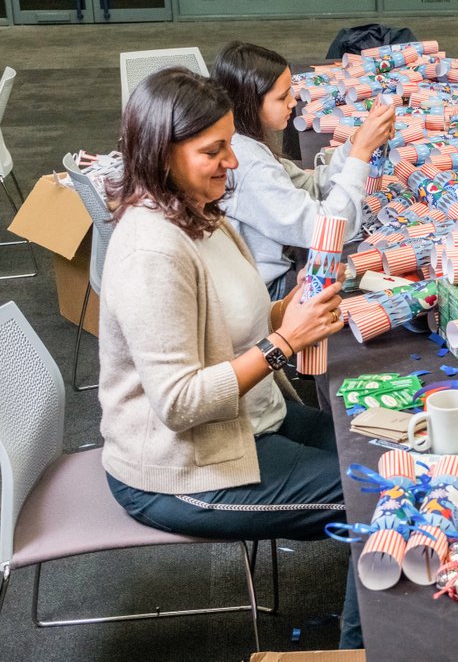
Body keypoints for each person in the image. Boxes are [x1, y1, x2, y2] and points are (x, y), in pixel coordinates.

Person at [99, 68, 361, 646]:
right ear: (160, 154)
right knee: (384, 494)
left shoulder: (201, 211)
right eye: (213, 150)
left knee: (382, 451)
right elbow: (180, 404)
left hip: (248, 422)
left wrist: (287, 311)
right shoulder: (151, 250)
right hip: (182, 466)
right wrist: (285, 341)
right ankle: (356, 654)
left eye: (230, 146)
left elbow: (229, 323)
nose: (232, 162)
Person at [211, 41, 396, 299]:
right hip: (268, 290)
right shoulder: (247, 163)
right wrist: (361, 154)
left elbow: (311, 188)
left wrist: (355, 143)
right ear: (249, 102)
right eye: (281, 96)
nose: (292, 102)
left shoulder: (246, 142)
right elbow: (326, 230)